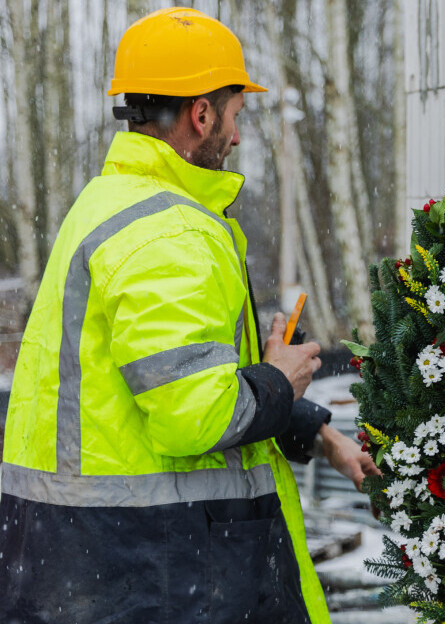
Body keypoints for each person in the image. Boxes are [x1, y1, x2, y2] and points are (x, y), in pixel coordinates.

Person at [0, 8, 377, 623]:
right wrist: (280, 378)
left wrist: (314, 429)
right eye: (235, 115)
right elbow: (195, 414)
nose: (236, 134)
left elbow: (152, 387)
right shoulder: (166, 234)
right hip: (153, 569)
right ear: (201, 114)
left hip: (102, 562)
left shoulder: (113, 204)